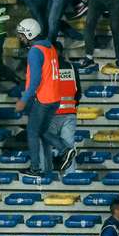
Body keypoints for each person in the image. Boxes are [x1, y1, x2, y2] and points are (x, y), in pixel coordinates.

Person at [16, 18, 60, 178]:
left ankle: (35, 168)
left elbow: (35, 80)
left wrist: (24, 100)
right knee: (42, 131)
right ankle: (58, 157)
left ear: (29, 33)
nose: (20, 38)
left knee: (32, 132)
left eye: (22, 35)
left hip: (44, 98)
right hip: (55, 97)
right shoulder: (50, 46)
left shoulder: (35, 51)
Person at [46, 42, 80, 175]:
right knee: (69, 145)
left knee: (45, 144)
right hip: (70, 113)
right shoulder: (72, 68)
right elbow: (78, 92)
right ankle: (70, 176)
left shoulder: (47, 68)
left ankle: (46, 174)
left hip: (52, 114)